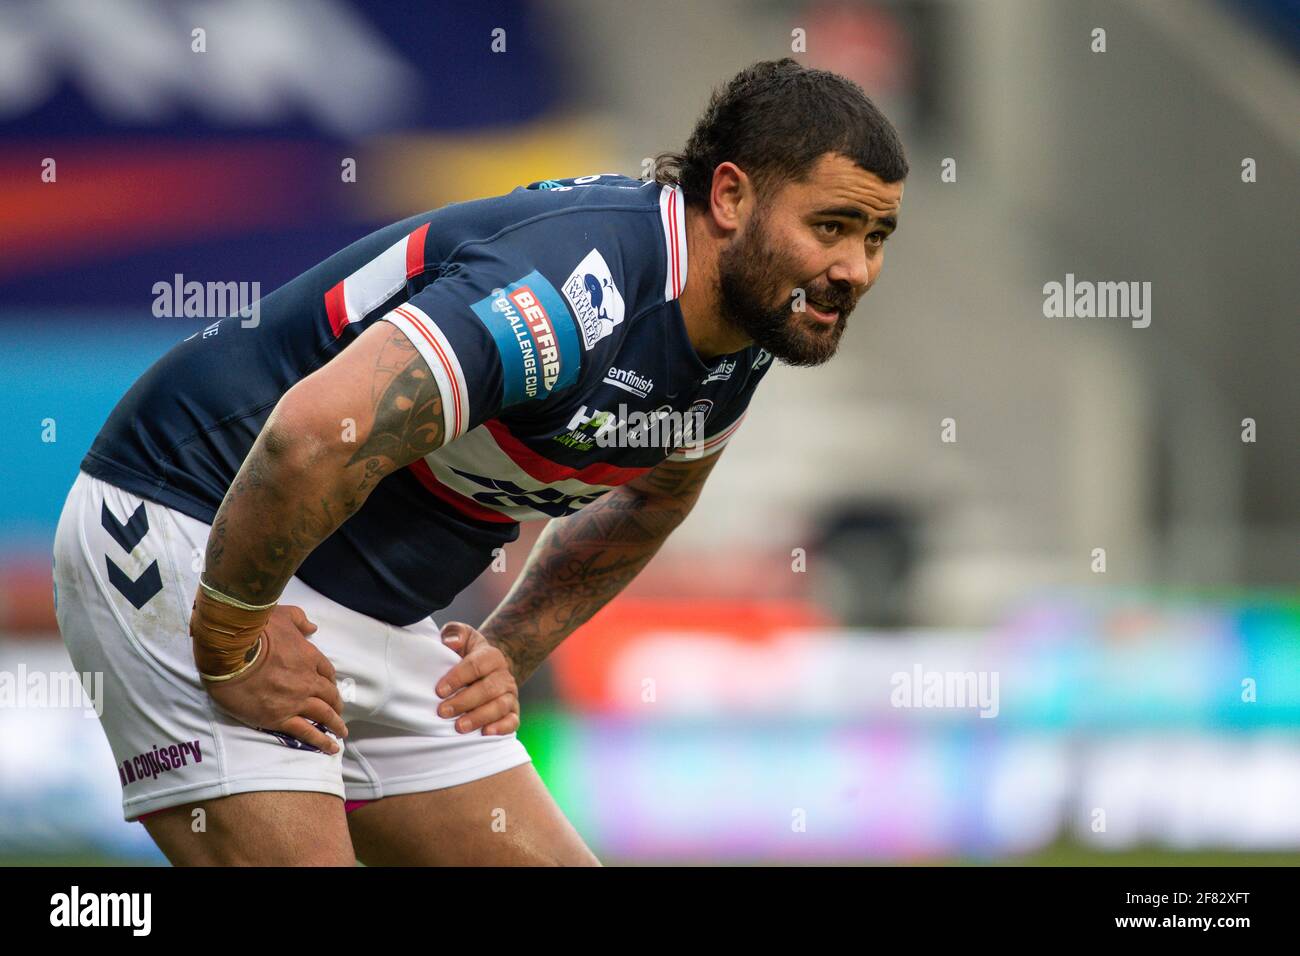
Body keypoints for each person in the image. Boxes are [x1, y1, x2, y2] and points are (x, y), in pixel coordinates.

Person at [52, 57, 907, 865]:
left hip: (369, 605)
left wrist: (512, 646)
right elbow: (313, 437)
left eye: (877, 236)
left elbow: (653, 501)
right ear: (730, 196)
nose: (855, 270)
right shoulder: (572, 291)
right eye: (830, 226)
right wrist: (230, 638)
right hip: (190, 533)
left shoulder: (750, 328)